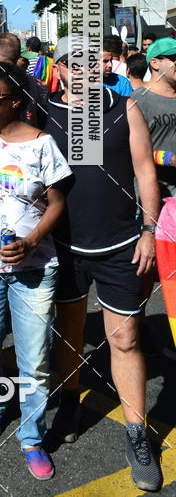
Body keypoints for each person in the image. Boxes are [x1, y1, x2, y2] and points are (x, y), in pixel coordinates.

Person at [46, 36, 162, 492]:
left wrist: (149, 229)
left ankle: (137, 435)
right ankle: (69, 401)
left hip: (122, 245)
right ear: (58, 68)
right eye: (72, 63)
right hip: (63, 245)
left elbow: (146, 171)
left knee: (127, 339)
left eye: (89, 61)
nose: (82, 70)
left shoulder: (124, 107)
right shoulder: (44, 112)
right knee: (69, 332)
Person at [0, 62, 70, 480]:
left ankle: (32, 437)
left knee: (34, 361)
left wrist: (32, 240)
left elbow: (57, 203)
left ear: (17, 102)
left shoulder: (42, 144)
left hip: (33, 268)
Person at [131, 38, 176, 359]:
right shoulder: (137, 101)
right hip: (151, 200)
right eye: (174, 57)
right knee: (145, 273)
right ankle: (137, 328)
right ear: (155, 62)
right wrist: (167, 157)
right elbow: (130, 152)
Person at [0, 33, 48, 127]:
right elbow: (44, 117)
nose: (28, 62)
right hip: (33, 133)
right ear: (18, 56)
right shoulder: (39, 83)